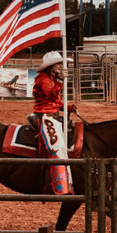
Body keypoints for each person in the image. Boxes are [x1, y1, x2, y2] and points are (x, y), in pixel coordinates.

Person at [33, 51, 76, 195]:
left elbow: (55, 100)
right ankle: (59, 183)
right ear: (50, 66)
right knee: (56, 144)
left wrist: (68, 107)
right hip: (44, 115)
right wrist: (60, 81)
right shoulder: (43, 79)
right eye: (58, 63)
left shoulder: (50, 78)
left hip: (51, 114)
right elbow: (50, 94)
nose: (60, 66)